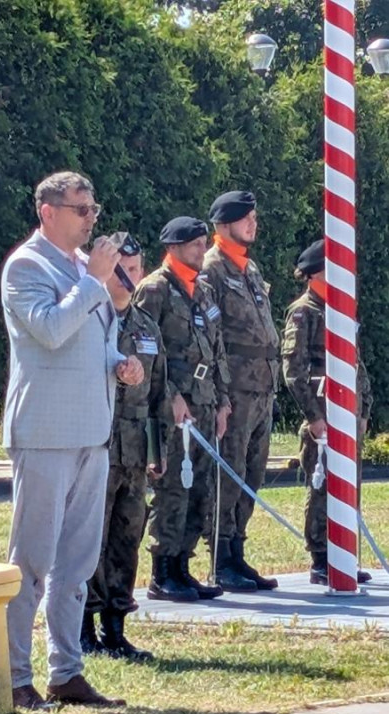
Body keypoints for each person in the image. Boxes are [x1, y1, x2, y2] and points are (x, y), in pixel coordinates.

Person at [1, 171, 144, 710]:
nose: (90, 219)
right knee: (31, 563)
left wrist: (119, 364)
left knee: (77, 565)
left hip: (91, 433)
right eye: (80, 209)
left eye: (93, 209)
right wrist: (94, 282)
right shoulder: (27, 266)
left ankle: (67, 672)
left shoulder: (88, 270)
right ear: (48, 212)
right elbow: (50, 330)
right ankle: (17, 676)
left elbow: (93, 341)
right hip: (44, 433)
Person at [83, 239, 174, 660]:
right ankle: (84, 627)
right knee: (89, 542)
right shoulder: (88, 319)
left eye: (137, 268)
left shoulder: (146, 328)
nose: (131, 277)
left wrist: (160, 452)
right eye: (124, 268)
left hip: (135, 456)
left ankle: (116, 628)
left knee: (126, 539)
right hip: (94, 449)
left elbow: (159, 395)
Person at [134, 216, 230, 602]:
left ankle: (183, 565)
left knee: (200, 488)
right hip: (172, 408)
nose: (201, 250)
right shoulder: (154, 289)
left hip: (205, 401)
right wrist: (170, 394)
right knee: (172, 486)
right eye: (193, 245)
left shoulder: (202, 291)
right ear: (172, 248)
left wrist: (223, 400)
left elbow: (217, 348)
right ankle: (163, 571)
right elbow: (144, 347)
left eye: (203, 243)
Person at [281, 239, 372, 585]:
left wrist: (364, 409)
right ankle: (321, 556)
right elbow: (294, 370)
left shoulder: (340, 311)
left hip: (348, 417)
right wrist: (314, 417)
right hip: (323, 416)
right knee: (323, 489)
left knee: (349, 486)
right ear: (318, 273)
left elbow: (355, 365)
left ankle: (343, 553)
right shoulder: (304, 312)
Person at [201, 192, 279, 592]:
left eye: (253, 216)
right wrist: (219, 394)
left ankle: (237, 551)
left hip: (261, 388)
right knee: (227, 476)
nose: (252, 223)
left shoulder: (249, 269)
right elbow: (210, 336)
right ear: (223, 223)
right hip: (235, 389)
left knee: (251, 475)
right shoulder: (211, 269)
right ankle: (220, 557)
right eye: (244, 218)